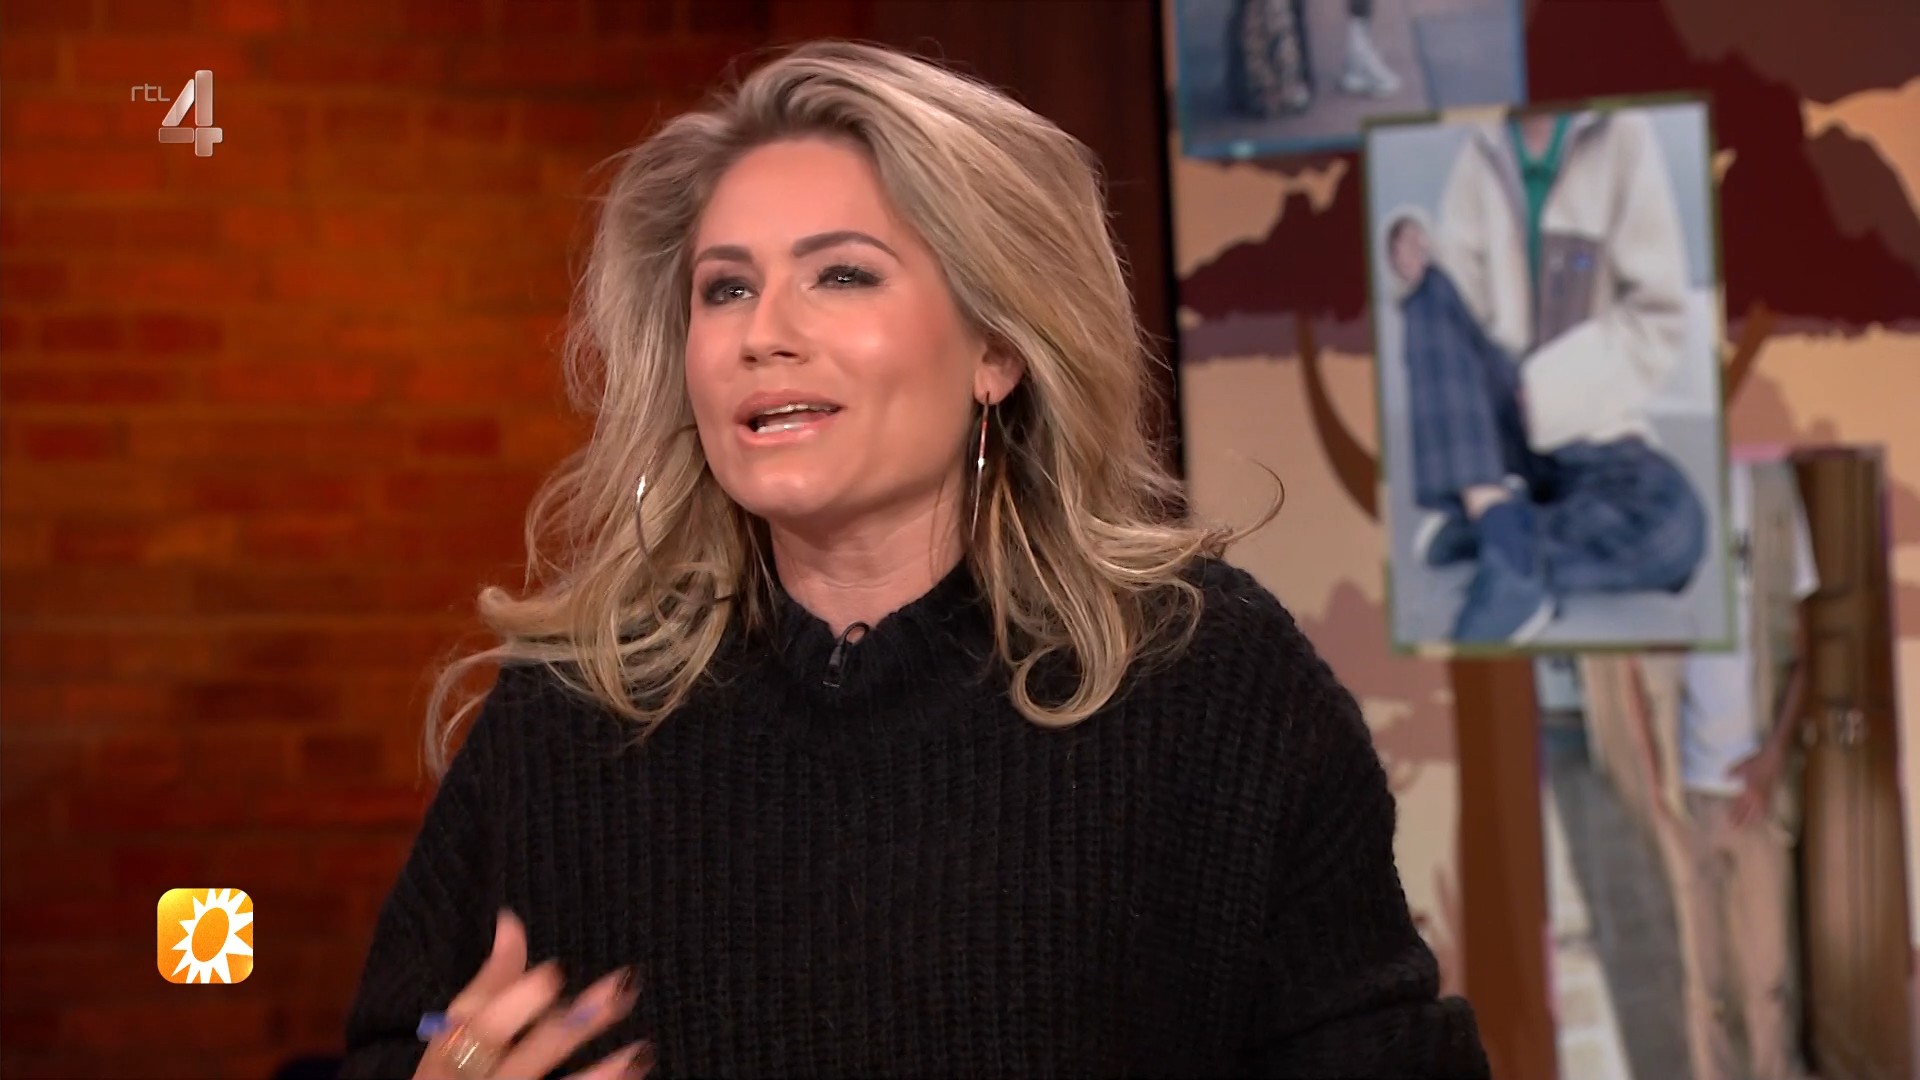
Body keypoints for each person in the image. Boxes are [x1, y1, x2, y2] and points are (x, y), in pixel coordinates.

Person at [338, 41, 1490, 1080]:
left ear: (997, 347)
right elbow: (404, 1040)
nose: (762, 332)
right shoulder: (574, 707)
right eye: (725, 288)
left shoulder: (1209, 679)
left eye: (840, 274)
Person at [1402, 108, 1709, 644]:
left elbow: (1656, 316)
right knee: (1428, 292)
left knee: (1678, 530)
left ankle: (1496, 532)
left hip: (1592, 422)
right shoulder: (1481, 147)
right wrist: (1411, 251)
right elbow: (1456, 307)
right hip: (1499, 430)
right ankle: (1507, 553)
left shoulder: (1624, 136)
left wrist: (1550, 388)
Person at [1580, 457, 1819, 1080]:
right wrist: (1659, 786)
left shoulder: (1769, 488)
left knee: (1769, 980)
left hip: (1757, 798)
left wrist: (1771, 761)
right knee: (1706, 983)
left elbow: (1804, 653)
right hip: (1685, 799)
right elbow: (1632, 673)